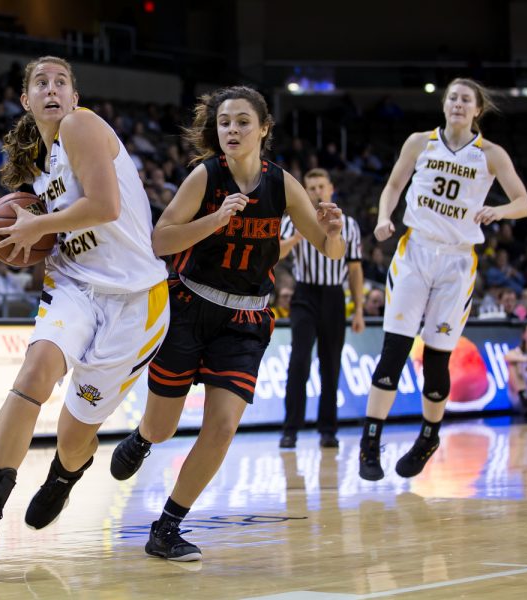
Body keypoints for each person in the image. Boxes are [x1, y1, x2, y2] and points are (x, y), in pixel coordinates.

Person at [0, 56, 169, 559]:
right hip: (73, 285)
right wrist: (30, 235)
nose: (52, 90)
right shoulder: (38, 175)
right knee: (34, 372)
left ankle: (67, 474)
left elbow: (106, 206)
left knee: (73, 436)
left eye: (61, 82)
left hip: (135, 302)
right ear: (25, 101)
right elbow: (59, 231)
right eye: (40, 83)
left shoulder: (81, 126)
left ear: (74, 96)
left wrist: (34, 228)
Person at [108, 86, 346, 561]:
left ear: (263, 129)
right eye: (224, 123)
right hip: (189, 305)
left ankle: (168, 527)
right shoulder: (205, 176)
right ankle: (142, 438)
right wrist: (215, 219)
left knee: (221, 426)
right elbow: (161, 241)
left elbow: (331, 251)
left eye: (242, 122)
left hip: (245, 316)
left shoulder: (282, 184)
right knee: (162, 424)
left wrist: (334, 230)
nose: (232, 130)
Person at [357, 78, 527, 481]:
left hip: (456, 263)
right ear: (444, 105)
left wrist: (497, 212)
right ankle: (370, 442)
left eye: (465, 99)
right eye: (452, 97)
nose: (457, 103)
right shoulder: (420, 142)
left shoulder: (491, 154)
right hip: (415, 252)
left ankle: (429, 437)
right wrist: (385, 217)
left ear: (477, 110)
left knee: (436, 359)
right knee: (394, 353)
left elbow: (524, 203)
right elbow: (394, 185)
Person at [278, 168, 364, 449]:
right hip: (305, 295)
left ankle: (328, 429)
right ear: (305, 191)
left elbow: (354, 270)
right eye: (311, 187)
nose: (316, 192)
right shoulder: (294, 220)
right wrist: (294, 240)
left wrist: (359, 309)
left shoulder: (348, 225)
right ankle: (290, 428)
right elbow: (277, 252)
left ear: (331, 189)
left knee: (331, 365)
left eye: (320, 187)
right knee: (299, 361)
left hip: (334, 297)